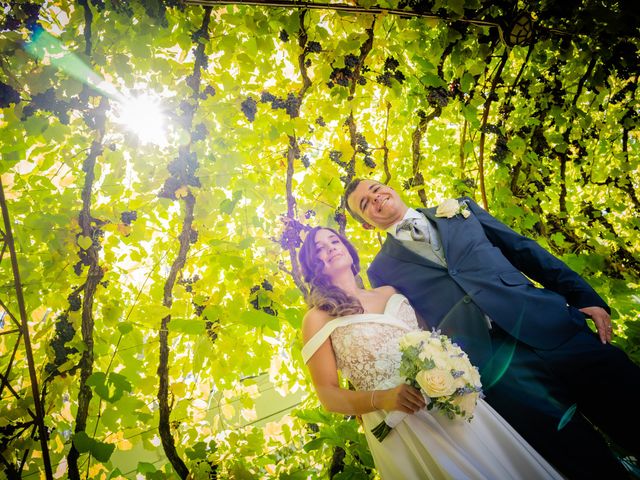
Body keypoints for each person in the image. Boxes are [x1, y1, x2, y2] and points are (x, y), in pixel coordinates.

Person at [344, 178, 640, 479]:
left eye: (375, 188)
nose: (375, 197)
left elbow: (523, 250)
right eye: (365, 204)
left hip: (550, 325)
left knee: (629, 402)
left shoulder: (460, 210)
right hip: (499, 370)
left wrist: (583, 297)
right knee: (577, 454)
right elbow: (409, 325)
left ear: (390, 188)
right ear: (367, 225)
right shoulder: (380, 270)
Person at [299, 226, 564, 479]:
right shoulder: (317, 317)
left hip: (447, 399)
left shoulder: (391, 292)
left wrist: (451, 370)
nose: (331, 249)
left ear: (347, 249)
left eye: (334, 241)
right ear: (312, 265)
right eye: (319, 248)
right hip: (399, 422)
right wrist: (381, 399)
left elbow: (431, 339)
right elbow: (328, 395)